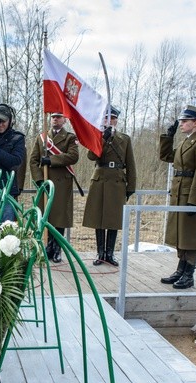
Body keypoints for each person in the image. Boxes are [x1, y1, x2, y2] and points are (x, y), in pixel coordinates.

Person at [158, 105, 196, 289]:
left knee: (190, 235)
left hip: (189, 194)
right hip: (178, 193)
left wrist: (194, 200)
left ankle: (189, 273)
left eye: (185, 121)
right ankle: (180, 270)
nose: (181, 124)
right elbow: (166, 156)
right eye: (180, 121)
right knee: (180, 234)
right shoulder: (185, 142)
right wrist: (168, 137)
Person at [83, 106, 137, 267]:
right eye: (106, 118)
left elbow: (131, 164)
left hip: (117, 181)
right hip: (100, 180)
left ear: (116, 120)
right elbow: (91, 156)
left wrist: (131, 186)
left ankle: (110, 253)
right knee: (98, 218)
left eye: (112, 118)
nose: (109, 121)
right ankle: (100, 253)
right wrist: (102, 139)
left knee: (113, 219)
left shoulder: (124, 139)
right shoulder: (97, 136)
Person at [29, 112, 80, 263]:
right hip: (46, 182)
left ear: (64, 120)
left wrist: (50, 160)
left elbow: (73, 157)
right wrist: (38, 179)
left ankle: (57, 249)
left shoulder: (70, 138)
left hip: (62, 184)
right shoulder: (42, 137)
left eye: (58, 117)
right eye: (53, 117)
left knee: (59, 218)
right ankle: (48, 247)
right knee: (47, 216)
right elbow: (33, 160)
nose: (55, 119)